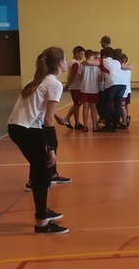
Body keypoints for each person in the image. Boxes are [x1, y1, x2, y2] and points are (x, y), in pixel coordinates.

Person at [7, 46, 70, 235]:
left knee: (38, 169)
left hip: (16, 127)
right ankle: (42, 223)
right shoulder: (55, 84)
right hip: (29, 130)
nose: (66, 63)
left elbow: (43, 108)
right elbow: (48, 120)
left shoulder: (36, 80)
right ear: (60, 63)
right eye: (65, 59)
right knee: (43, 173)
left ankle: (43, 212)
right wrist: (51, 148)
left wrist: (57, 117)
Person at [61, 45, 84, 129]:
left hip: (75, 86)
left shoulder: (73, 62)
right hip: (76, 87)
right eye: (81, 54)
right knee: (77, 105)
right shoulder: (75, 63)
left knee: (77, 104)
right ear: (76, 53)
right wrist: (68, 85)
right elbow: (73, 75)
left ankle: (68, 119)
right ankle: (76, 123)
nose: (82, 56)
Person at [77, 50, 101, 132]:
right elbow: (100, 79)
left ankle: (85, 126)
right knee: (93, 108)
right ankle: (95, 126)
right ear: (93, 56)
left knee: (85, 108)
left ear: (85, 56)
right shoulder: (97, 66)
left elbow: (79, 77)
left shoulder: (82, 65)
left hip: (84, 89)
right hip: (94, 89)